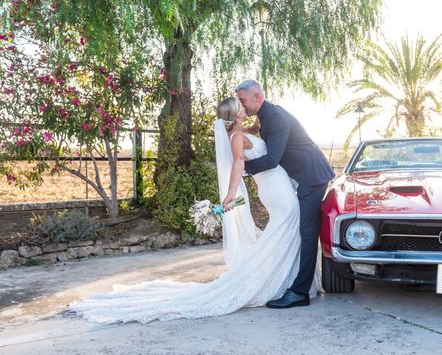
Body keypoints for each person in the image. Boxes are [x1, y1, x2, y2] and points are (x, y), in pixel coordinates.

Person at [69, 95, 308, 324]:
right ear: (236, 113)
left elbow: (248, 146)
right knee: (286, 226)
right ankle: (275, 282)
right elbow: (238, 163)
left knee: (284, 229)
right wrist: (231, 193)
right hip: (275, 188)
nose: (245, 107)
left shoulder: (237, 133)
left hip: (275, 185)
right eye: (241, 105)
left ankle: (287, 280)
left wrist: (257, 127)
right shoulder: (236, 137)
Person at [235, 79, 334, 308]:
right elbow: (260, 136)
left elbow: (271, 160)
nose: (242, 106)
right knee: (302, 230)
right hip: (302, 176)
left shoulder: (275, 117)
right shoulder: (267, 115)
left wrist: (242, 170)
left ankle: (300, 292)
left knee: (307, 232)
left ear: (257, 96)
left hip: (311, 176)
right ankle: (299, 284)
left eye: (243, 101)